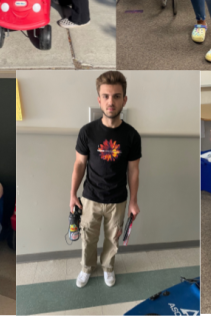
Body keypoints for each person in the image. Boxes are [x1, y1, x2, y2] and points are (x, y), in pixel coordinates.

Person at [70, 71, 141, 289]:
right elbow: (79, 164)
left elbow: (134, 170)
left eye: (117, 96)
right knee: (88, 237)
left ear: (124, 100)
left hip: (118, 199)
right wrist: (72, 195)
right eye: (106, 96)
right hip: (90, 198)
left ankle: (108, 268)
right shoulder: (87, 132)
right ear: (99, 99)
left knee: (113, 239)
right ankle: (87, 267)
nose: (111, 102)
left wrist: (133, 201)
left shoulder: (131, 136)